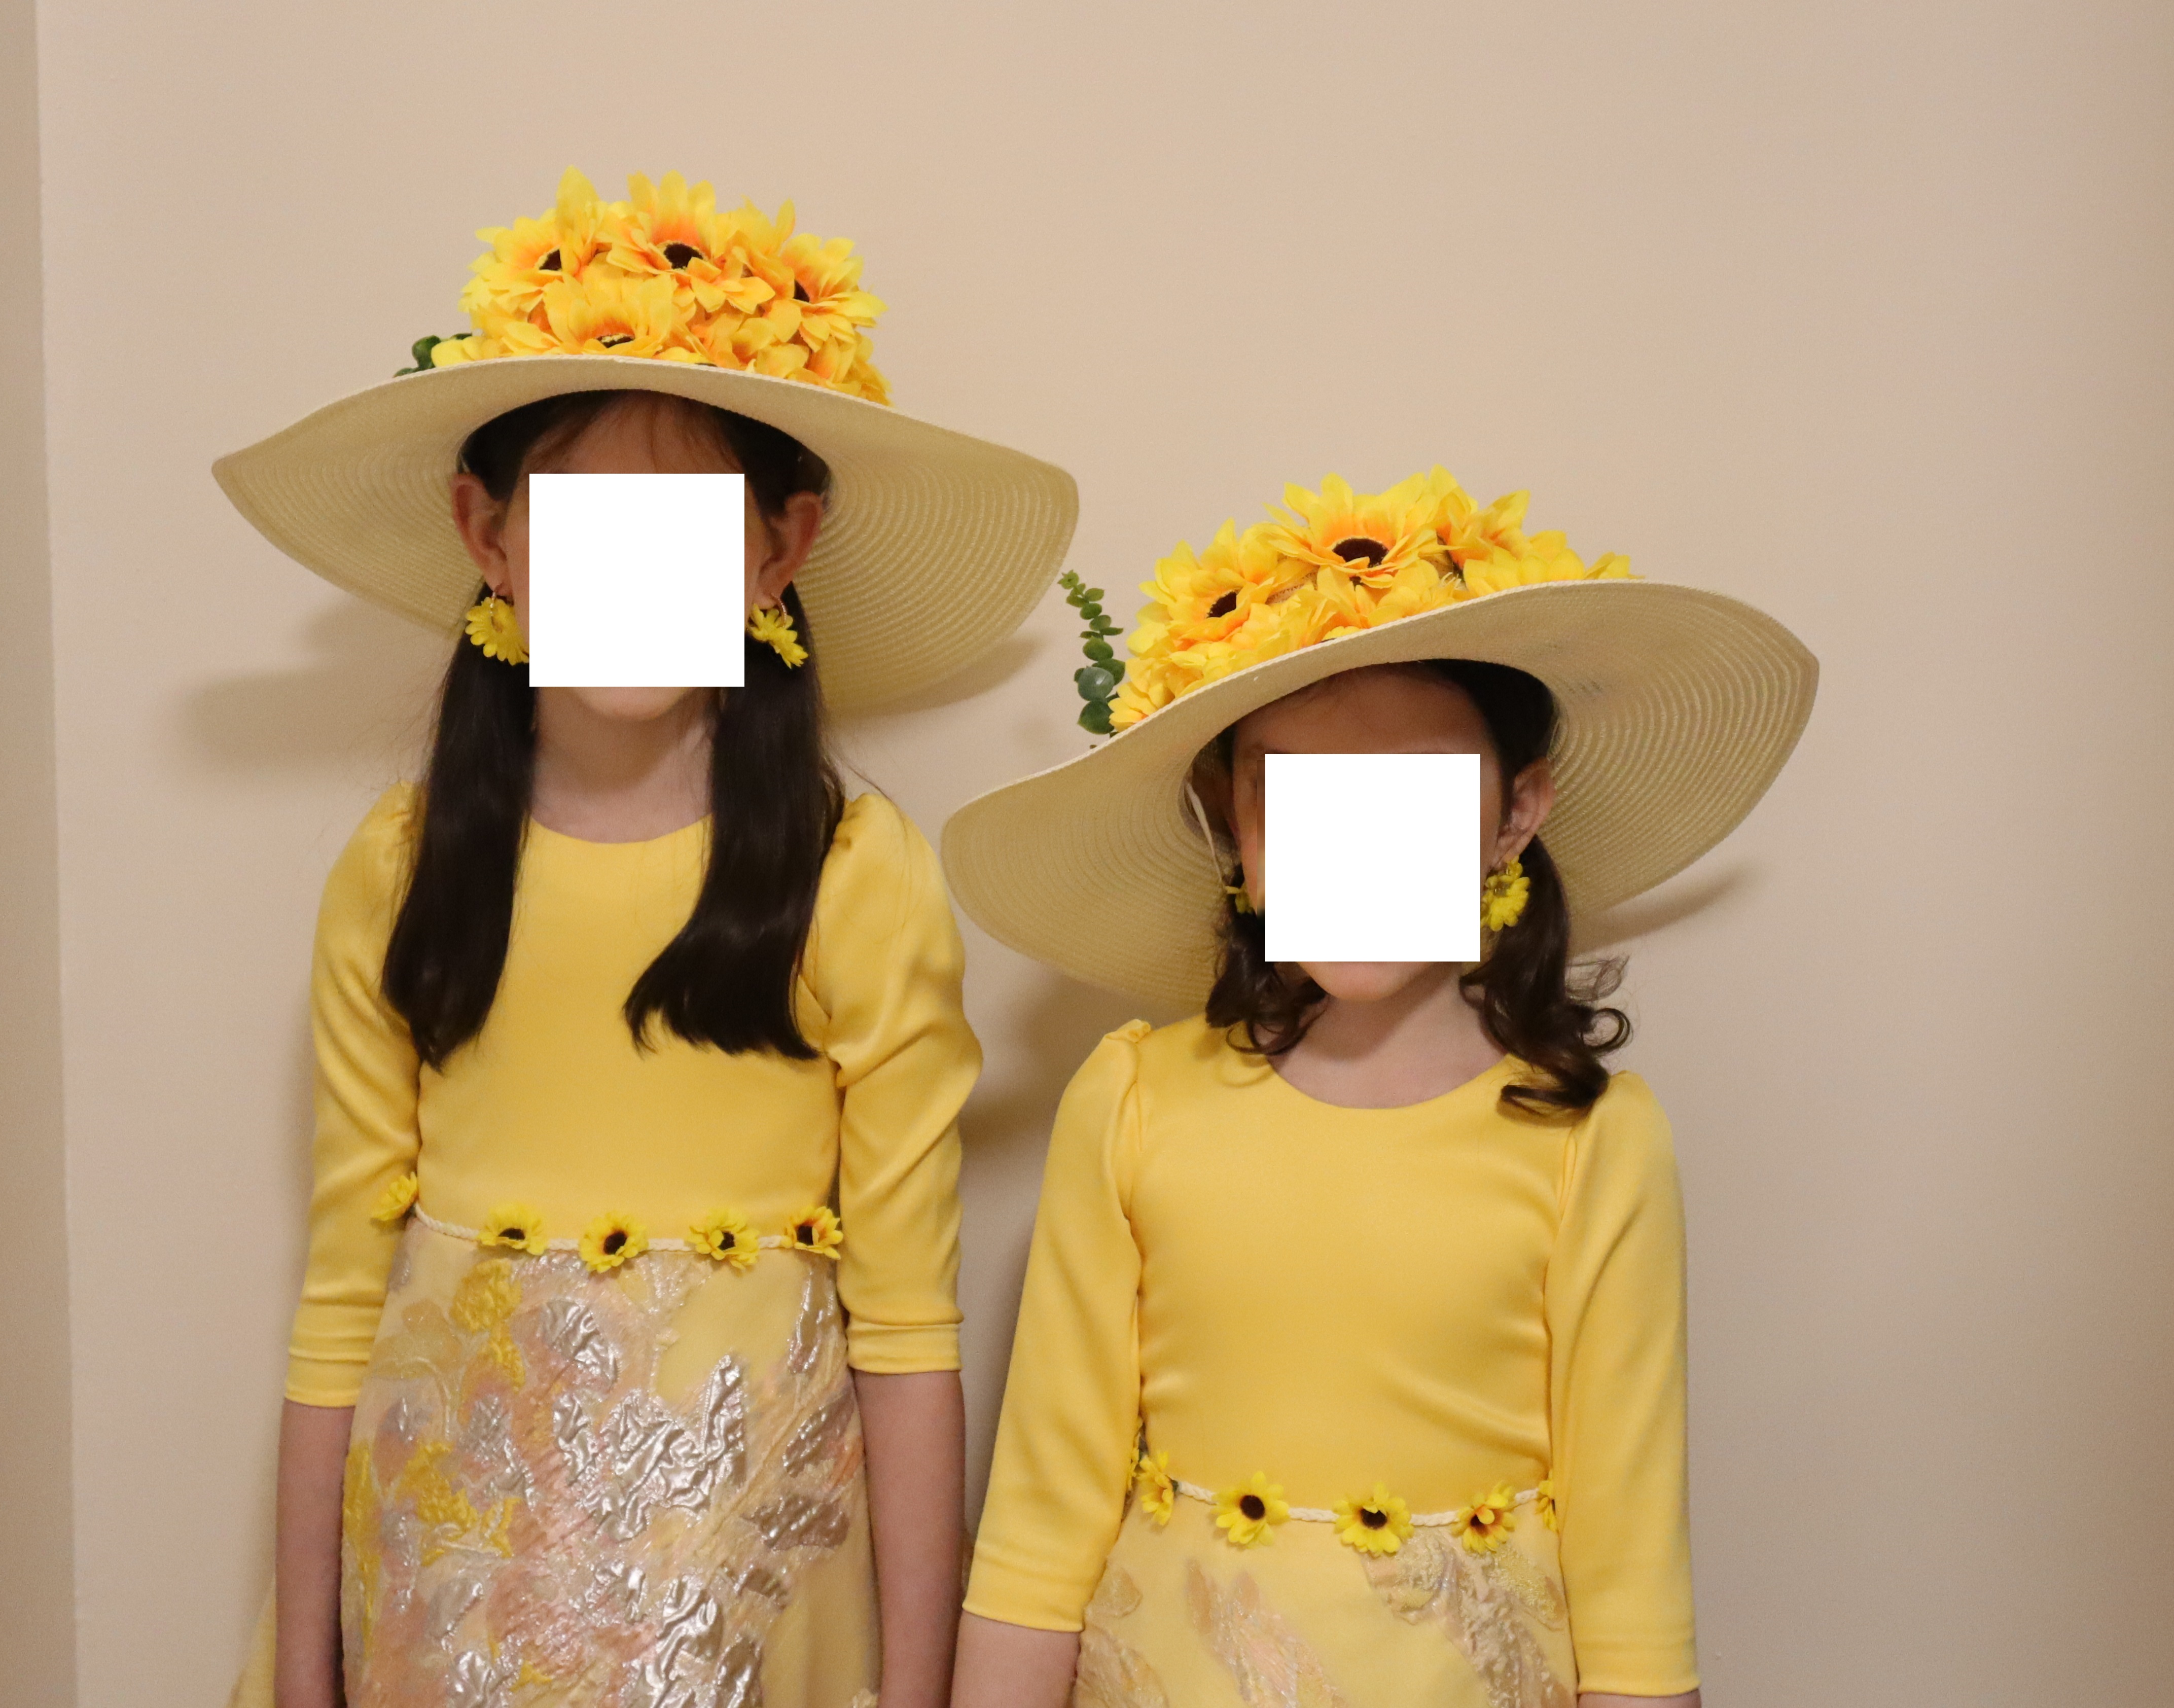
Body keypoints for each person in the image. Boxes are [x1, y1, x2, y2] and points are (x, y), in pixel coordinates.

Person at [212, 168, 1077, 1708]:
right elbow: (342, 1291)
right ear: (487, 533)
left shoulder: (853, 876)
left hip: (750, 1605)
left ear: (778, 548)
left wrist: (918, 1690)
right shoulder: (400, 871)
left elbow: (906, 1328)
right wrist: (299, 1671)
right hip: (449, 1596)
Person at [937, 469, 1815, 1707]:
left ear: (1515, 812)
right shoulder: (1132, 1101)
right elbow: (1037, 1536)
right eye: (1300, 796)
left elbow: (1633, 1594)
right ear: (1232, 821)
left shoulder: (1594, 1141)